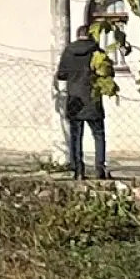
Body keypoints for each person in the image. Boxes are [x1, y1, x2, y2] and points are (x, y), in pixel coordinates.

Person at [55, 24, 108, 180]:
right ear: (90, 35)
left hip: (74, 98)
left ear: (78, 35)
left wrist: (73, 75)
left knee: (76, 135)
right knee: (98, 134)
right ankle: (99, 169)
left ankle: (78, 170)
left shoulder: (68, 51)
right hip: (92, 97)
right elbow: (106, 71)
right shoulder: (97, 51)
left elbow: (61, 75)